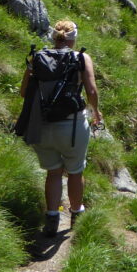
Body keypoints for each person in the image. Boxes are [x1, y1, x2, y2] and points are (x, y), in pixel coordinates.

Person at [19, 19, 102, 236]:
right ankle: (76, 214)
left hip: (42, 125)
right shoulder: (81, 58)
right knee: (75, 171)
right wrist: (96, 112)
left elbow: (24, 93)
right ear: (73, 38)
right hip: (72, 126)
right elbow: (91, 91)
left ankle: (52, 217)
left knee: (53, 173)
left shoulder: (37, 58)